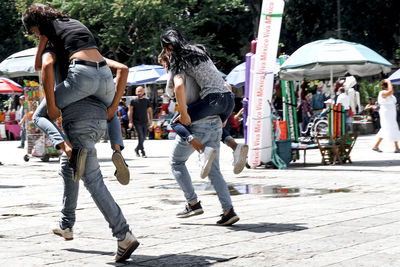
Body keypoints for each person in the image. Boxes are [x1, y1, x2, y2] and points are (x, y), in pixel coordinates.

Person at [23, 4, 129, 184]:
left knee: (38, 117)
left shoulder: (48, 27)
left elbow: (42, 66)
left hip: (82, 75)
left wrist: (51, 105)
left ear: (36, 24)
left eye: (33, 30)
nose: (34, 34)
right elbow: (124, 69)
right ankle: (117, 150)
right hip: (104, 74)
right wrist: (112, 106)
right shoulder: (73, 23)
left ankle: (68, 149)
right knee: (111, 115)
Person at [161, 29, 247, 178]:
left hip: (213, 100)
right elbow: (227, 86)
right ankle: (235, 147)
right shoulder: (198, 51)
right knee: (213, 121)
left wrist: (183, 112)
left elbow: (179, 86)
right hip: (229, 100)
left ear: (169, 47)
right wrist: (225, 115)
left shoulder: (177, 56)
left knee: (176, 122)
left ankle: (202, 151)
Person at [168, 52, 240, 226]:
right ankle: (228, 210)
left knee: (176, 162)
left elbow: (178, 87)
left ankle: (193, 203)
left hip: (195, 123)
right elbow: (227, 89)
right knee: (214, 171)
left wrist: (184, 113)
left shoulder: (178, 71)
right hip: (215, 121)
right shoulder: (200, 71)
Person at [372, 79, 400, 153]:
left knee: (389, 128)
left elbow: (391, 92)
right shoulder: (382, 93)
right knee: (390, 128)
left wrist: (388, 83)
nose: (392, 87)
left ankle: (376, 146)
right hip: (386, 113)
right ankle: (396, 147)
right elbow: (391, 91)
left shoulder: (390, 95)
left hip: (391, 113)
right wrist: (388, 81)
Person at [129, 86, 153, 158]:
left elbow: (150, 111)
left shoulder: (147, 101)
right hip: (136, 121)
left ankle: (136, 149)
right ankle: (142, 152)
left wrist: (150, 120)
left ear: (143, 92)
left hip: (145, 121)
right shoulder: (133, 101)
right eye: (138, 91)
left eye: (141, 91)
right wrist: (130, 122)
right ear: (136, 92)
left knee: (144, 136)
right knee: (141, 136)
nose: (139, 92)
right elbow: (130, 112)